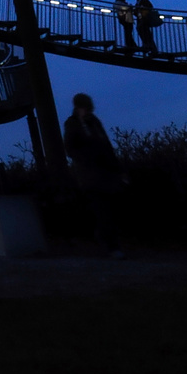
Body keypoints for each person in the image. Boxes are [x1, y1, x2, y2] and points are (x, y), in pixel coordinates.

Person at [63, 93, 124, 257]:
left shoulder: (94, 122)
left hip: (105, 172)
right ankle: (111, 247)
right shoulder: (73, 123)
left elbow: (106, 145)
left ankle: (109, 243)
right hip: (91, 175)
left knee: (110, 210)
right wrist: (88, 158)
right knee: (103, 211)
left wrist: (115, 167)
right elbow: (70, 148)